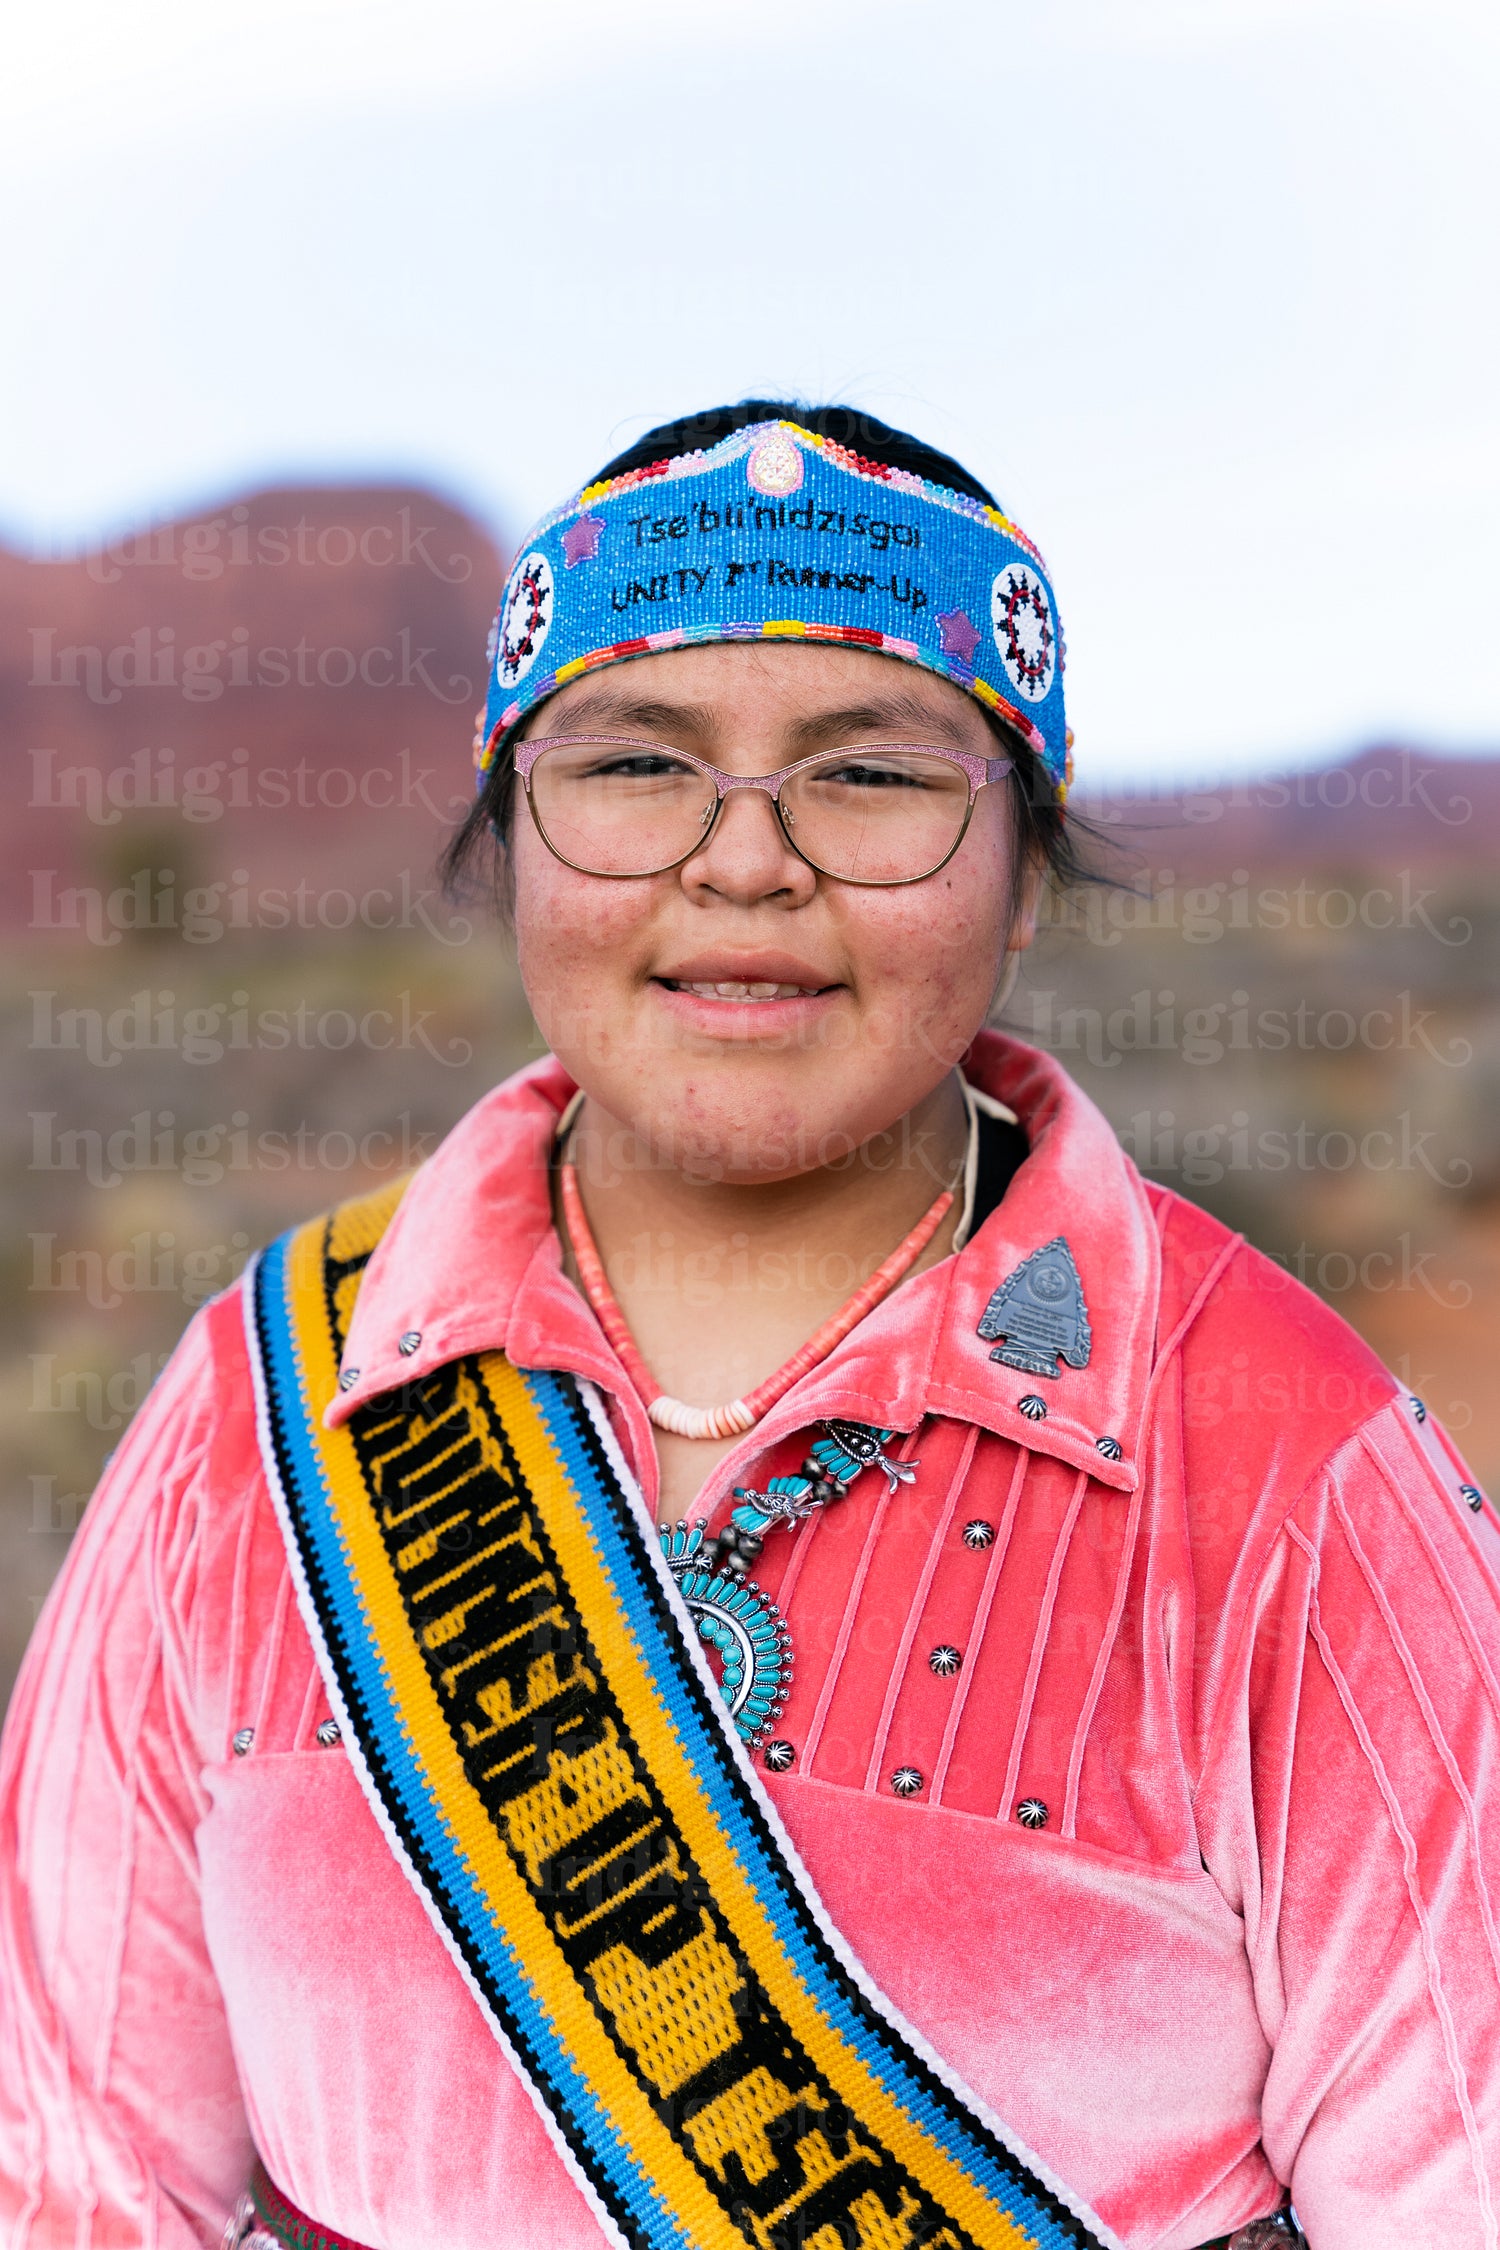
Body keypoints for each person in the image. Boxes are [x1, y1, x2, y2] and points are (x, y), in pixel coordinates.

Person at [1, 402, 1496, 2250]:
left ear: (1023, 869)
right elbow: (66, 2175)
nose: (746, 861)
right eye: (638, 764)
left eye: (870, 776)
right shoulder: (268, 1401)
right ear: (511, 842)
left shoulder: (1286, 1455)